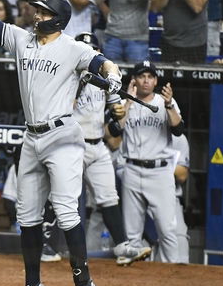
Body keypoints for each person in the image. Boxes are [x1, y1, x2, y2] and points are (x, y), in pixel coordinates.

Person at [0, 0, 124, 286]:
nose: (36, 15)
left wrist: (115, 82)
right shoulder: (21, 39)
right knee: (27, 216)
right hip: (31, 138)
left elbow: (105, 65)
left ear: (57, 18)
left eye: (43, 12)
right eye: (36, 10)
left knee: (65, 211)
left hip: (62, 135)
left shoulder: (73, 47)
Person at [72, 32, 152, 266]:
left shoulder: (105, 83)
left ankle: (122, 247)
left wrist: (121, 113)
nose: (91, 54)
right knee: (61, 196)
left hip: (97, 145)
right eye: (85, 49)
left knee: (108, 197)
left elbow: (114, 130)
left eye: (94, 50)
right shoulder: (67, 78)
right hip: (72, 146)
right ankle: (45, 244)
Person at [117, 60, 183, 263]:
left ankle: (174, 274)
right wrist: (128, 101)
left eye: (150, 77)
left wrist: (170, 105)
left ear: (155, 81)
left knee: (167, 229)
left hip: (160, 171)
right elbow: (115, 129)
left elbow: (178, 129)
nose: (146, 80)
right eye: (142, 76)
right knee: (132, 235)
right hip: (132, 169)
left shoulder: (165, 102)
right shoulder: (124, 103)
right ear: (134, 80)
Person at [171, 133, 190, 263]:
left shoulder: (179, 138)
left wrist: (154, 163)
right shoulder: (138, 131)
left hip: (171, 199)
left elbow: (182, 174)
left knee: (181, 246)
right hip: (142, 201)